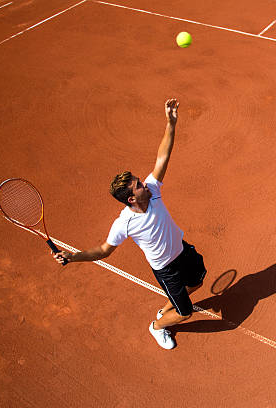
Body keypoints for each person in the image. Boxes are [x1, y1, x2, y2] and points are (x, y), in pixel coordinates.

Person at [52, 98, 207, 350]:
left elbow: (162, 157)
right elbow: (103, 251)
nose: (144, 182)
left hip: (181, 250)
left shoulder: (153, 191)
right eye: (138, 184)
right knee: (185, 313)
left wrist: (171, 124)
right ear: (132, 198)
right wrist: (72, 256)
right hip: (166, 268)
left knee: (197, 282)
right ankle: (157, 326)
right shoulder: (124, 224)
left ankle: (168, 307)